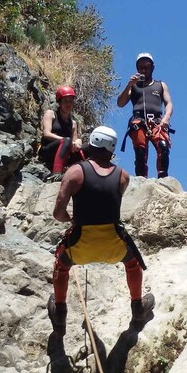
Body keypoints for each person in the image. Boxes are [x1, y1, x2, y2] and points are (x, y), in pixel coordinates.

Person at [48, 125, 156, 334]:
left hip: (80, 246)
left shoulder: (75, 172)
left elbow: (58, 213)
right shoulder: (123, 176)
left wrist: (72, 219)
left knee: (61, 266)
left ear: (93, 143)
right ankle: (137, 307)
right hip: (113, 246)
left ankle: (59, 312)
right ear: (112, 149)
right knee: (133, 264)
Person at [116, 52, 174, 178]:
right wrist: (129, 85)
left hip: (157, 122)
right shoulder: (134, 86)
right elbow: (120, 103)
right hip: (138, 121)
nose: (144, 70)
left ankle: (163, 178)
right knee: (140, 151)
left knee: (163, 147)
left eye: (146, 67)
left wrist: (166, 119)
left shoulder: (160, 85)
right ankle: (141, 179)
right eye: (141, 67)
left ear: (152, 67)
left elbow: (169, 104)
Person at [38, 85, 84, 174]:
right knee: (66, 140)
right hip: (48, 151)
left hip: (65, 154)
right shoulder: (51, 114)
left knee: (90, 147)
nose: (68, 104)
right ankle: (56, 174)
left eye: (70, 101)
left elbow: (74, 143)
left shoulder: (73, 123)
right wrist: (64, 140)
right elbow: (46, 134)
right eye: (65, 101)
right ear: (59, 102)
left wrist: (78, 142)